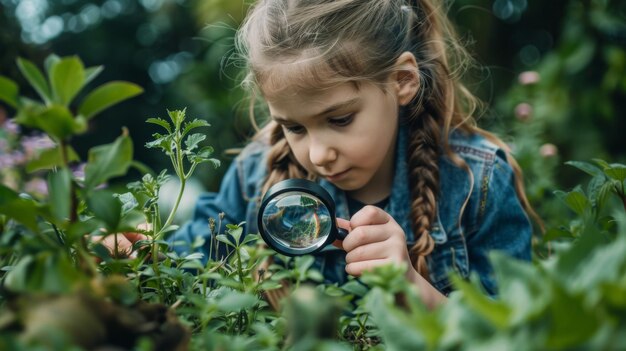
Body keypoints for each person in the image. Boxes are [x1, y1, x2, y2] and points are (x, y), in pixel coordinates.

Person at [109, 0, 538, 309]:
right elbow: (195, 258)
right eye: (293, 127)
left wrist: (411, 287)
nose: (318, 153)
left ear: (402, 81)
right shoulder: (255, 175)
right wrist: (137, 252)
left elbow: (510, 335)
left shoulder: (476, 183)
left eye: (340, 119)